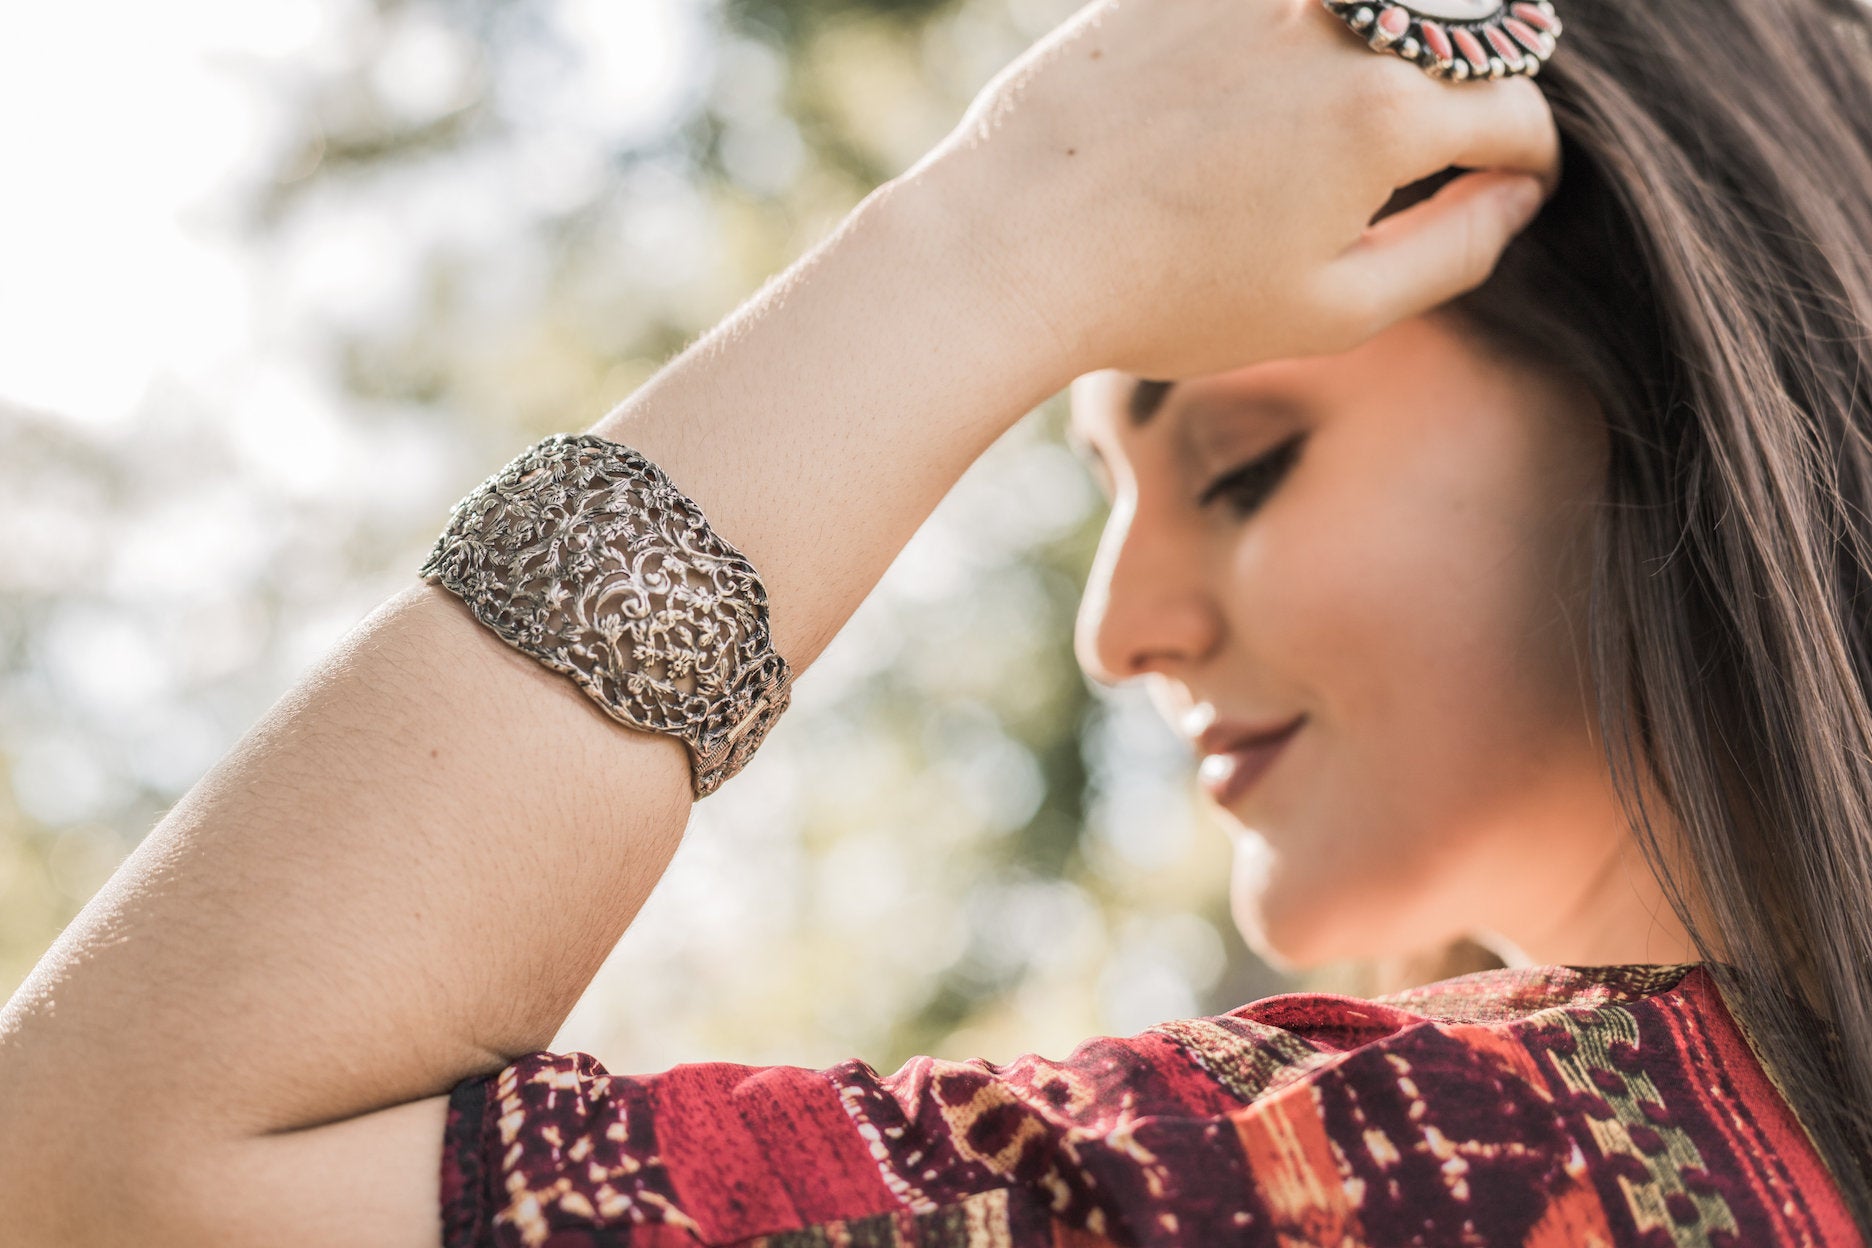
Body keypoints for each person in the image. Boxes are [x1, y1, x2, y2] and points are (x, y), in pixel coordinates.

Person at [2, 0, 1869, 1243]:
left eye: (1239, 465)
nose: (1117, 633)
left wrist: (994, 240)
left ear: (1672, 400)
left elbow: (107, 1171)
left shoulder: (1462, 1173)